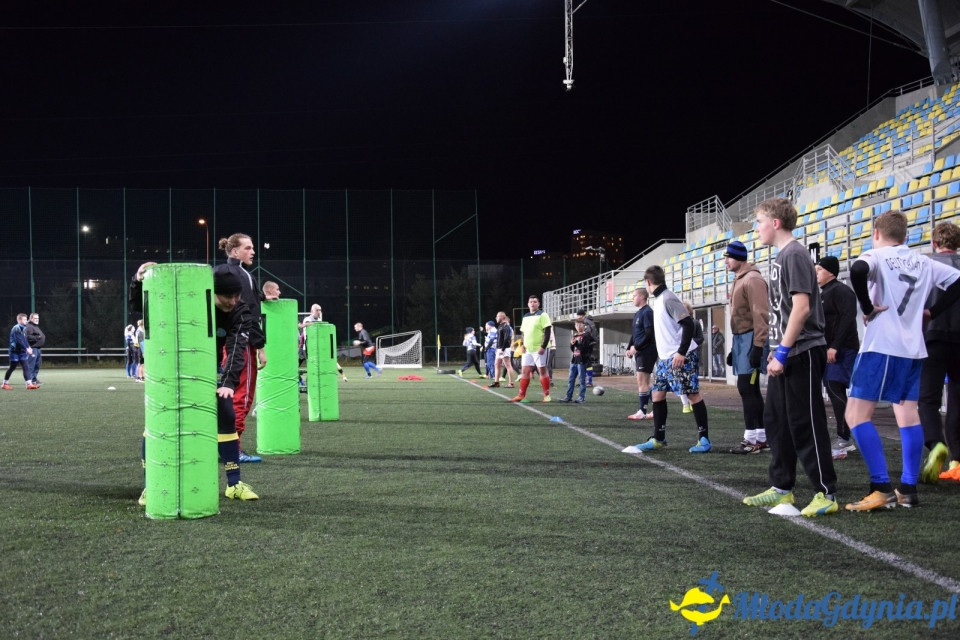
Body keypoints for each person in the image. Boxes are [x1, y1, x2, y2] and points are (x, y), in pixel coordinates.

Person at [843, 211, 960, 511]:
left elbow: (857, 270)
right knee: (908, 414)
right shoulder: (923, 261)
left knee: (856, 415)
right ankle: (908, 488)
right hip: (914, 348)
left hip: (882, 345)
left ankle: (880, 486)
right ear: (906, 236)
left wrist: (867, 308)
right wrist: (931, 313)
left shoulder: (877, 255)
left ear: (876, 233)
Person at [130, 261, 259, 504]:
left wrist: (229, 384)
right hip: (169, 370)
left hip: (208, 370)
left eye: (236, 295)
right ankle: (151, 486)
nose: (232, 301)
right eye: (226, 296)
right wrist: (137, 281)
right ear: (212, 292)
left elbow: (236, 348)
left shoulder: (240, 311)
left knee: (227, 416)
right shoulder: (192, 300)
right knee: (157, 421)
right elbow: (144, 307)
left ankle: (234, 484)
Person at [742, 197, 838, 517]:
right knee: (777, 421)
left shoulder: (794, 254)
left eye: (759, 221)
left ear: (776, 223)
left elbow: (802, 308)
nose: (756, 228)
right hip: (784, 353)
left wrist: (781, 352)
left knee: (806, 424)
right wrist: (774, 351)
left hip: (803, 352)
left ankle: (826, 492)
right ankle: (782, 487)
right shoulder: (782, 256)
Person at [623, 266, 710, 453]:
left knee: (693, 394)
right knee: (657, 394)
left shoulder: (668, 298)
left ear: (648, 283)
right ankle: (659, 438)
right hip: (665, 359)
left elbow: (687, 323)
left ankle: (704, 439)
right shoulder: (660, 299)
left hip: (679, 357)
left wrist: (681, 352)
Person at [214, 233, 266, 464]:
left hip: (229, 341)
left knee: (234, 393)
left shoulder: (237, 274)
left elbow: (252, 298)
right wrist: (259, 344)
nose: (252, 251)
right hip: (241, 341)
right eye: (248, 247)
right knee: (241, 396)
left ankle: (227, 446)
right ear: (234, 251)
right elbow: (249, 311)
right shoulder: (237, 274)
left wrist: (267, 295)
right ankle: (233, 449)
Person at [919, 222, 960, 482]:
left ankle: (935, 443)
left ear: (935, 243)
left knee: (928, 399)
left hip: (932, 336)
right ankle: (957, 461)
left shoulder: (925, 265)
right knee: (957, 397)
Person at [723, 239, 770, 454]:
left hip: (752, 338)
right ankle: (759, 437)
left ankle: (755, 439)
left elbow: (761, 315)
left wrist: (758, 346)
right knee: (747, 389)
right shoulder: (741, 278)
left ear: (738, 257)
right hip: (742, 339)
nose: (725, 262)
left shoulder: (753, 279)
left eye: (728, 257)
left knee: (748, 388)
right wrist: (735, 347)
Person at [815, 255, 860, 457]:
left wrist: (835, 346)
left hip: (842, 349)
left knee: (835, 387)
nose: (816, 274)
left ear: (831, 272)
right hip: (829, 349)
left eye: (819, 270)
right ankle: (843, 436)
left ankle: (845, 438)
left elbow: (847, 320)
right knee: (832, 388)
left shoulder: (842, 291)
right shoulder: (824, 292)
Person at [510, 294, 553, 403]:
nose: (533, 303)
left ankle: (547, 395)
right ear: (528, 304)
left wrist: (543, 346)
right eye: (531, 302)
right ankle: (521, 395)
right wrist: (523, 345)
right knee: (525, 371)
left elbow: (547, 332)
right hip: (527, 349)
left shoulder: (543, 315)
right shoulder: (526, 316)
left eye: (535, 301)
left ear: (538, 304)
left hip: (539, 349)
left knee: (542, 370)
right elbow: (523, 332)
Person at [624, 287, 656, 421]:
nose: (633, 298)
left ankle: (642, 411)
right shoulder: (638, 313)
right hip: (641, 350)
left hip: (647, 350)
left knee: (642, 381)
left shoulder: (647, 312)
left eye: (634, 296)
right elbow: (635, 333)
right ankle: (656, 409)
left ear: (642, 297)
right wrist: (629, 347)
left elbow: (649, 334)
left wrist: (636, 347)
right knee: (644, 382)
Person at [300, 303, 347, 382]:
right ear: (312, 311)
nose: (319, 312)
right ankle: (305, 383)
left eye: (320, 310)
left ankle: (343, 376)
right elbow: (310, 326)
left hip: (319, 347)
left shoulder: (319, 320)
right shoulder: (307, 319)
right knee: (311, 367)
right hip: (308, 348)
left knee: (327, 363)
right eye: (317, 310)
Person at [559, 319, 595, 403]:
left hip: (582, 360)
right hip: (574, 360)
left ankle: (581, 397)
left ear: (584, 326)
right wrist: (572, 344)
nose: (578, 327)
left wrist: (575, 343)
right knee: (571, 379)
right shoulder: (575, 335)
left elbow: (584, 348)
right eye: (577, 325)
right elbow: (573, 349)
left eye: (580, 325)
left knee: (582, 379)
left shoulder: (586, 336)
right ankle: (568, 396)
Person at [676, 301, 703, 413]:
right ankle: (685, 404)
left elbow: (700, 338)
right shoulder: (676, 324)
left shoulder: (695, 323)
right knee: (679, 378)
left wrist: (691, 344)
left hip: (691, 354)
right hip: (678, 354)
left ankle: (693, 402)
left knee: (692, 379)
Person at [3, 314, 35, 390]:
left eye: (26, 319)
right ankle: (5, 383)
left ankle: (29, 384)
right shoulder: (16, 328)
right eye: (24, 319)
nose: (26, 320)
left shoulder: (23, 328)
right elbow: (18, 340)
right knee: (12, 367)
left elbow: (24, 339)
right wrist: (26, 349)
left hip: (22, 351)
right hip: (14, 351)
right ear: (19, 320)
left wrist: (29, 347)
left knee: (25, 366)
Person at [491, 311, 514, 388]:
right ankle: (496, 382)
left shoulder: (506, 326)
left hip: (505, 348)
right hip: (499, 348)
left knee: (508, 365)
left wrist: (502, 349)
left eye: (497, 316)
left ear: (502, 317)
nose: (496, 318)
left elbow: (507, 338)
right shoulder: (500, 326)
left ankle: (511, 383)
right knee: (497, 364)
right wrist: (497, 348)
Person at [576, 309, 599, 386]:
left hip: (588, 344)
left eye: (578, 315)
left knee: (587, 362)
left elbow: (587, 334)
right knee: (585, 362)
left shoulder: (586, 322)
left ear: (582, 315)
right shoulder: (589, 321)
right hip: (590, 343)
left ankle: (589, 381)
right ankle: (585, 381)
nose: (578, 317)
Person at [24, 312, 45, 387]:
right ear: (31, 318)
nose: (37, 320)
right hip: (32, 348)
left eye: (38, 318)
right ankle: (29, 382)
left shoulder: (34, 326)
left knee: (37, 365)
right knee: (31, 365)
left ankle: (34, 379)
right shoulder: (29, 326)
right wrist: (38, 337)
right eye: (35, 318)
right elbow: (28, 337)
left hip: (37, 348)